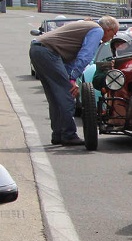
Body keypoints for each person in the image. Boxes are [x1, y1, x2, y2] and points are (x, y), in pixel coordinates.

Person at [29, 15, 119, 146]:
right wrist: (72, 79)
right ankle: (68, 135)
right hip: (48, 52)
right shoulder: (97, 30)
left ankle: (58, 134)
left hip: (38, 49)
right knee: (67, 95)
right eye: (113, 34)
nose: (111, 38)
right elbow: (86, 55)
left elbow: (70, 60)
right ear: (108, 29)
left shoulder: (86, 26)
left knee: (55, 97)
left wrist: (72, 77)